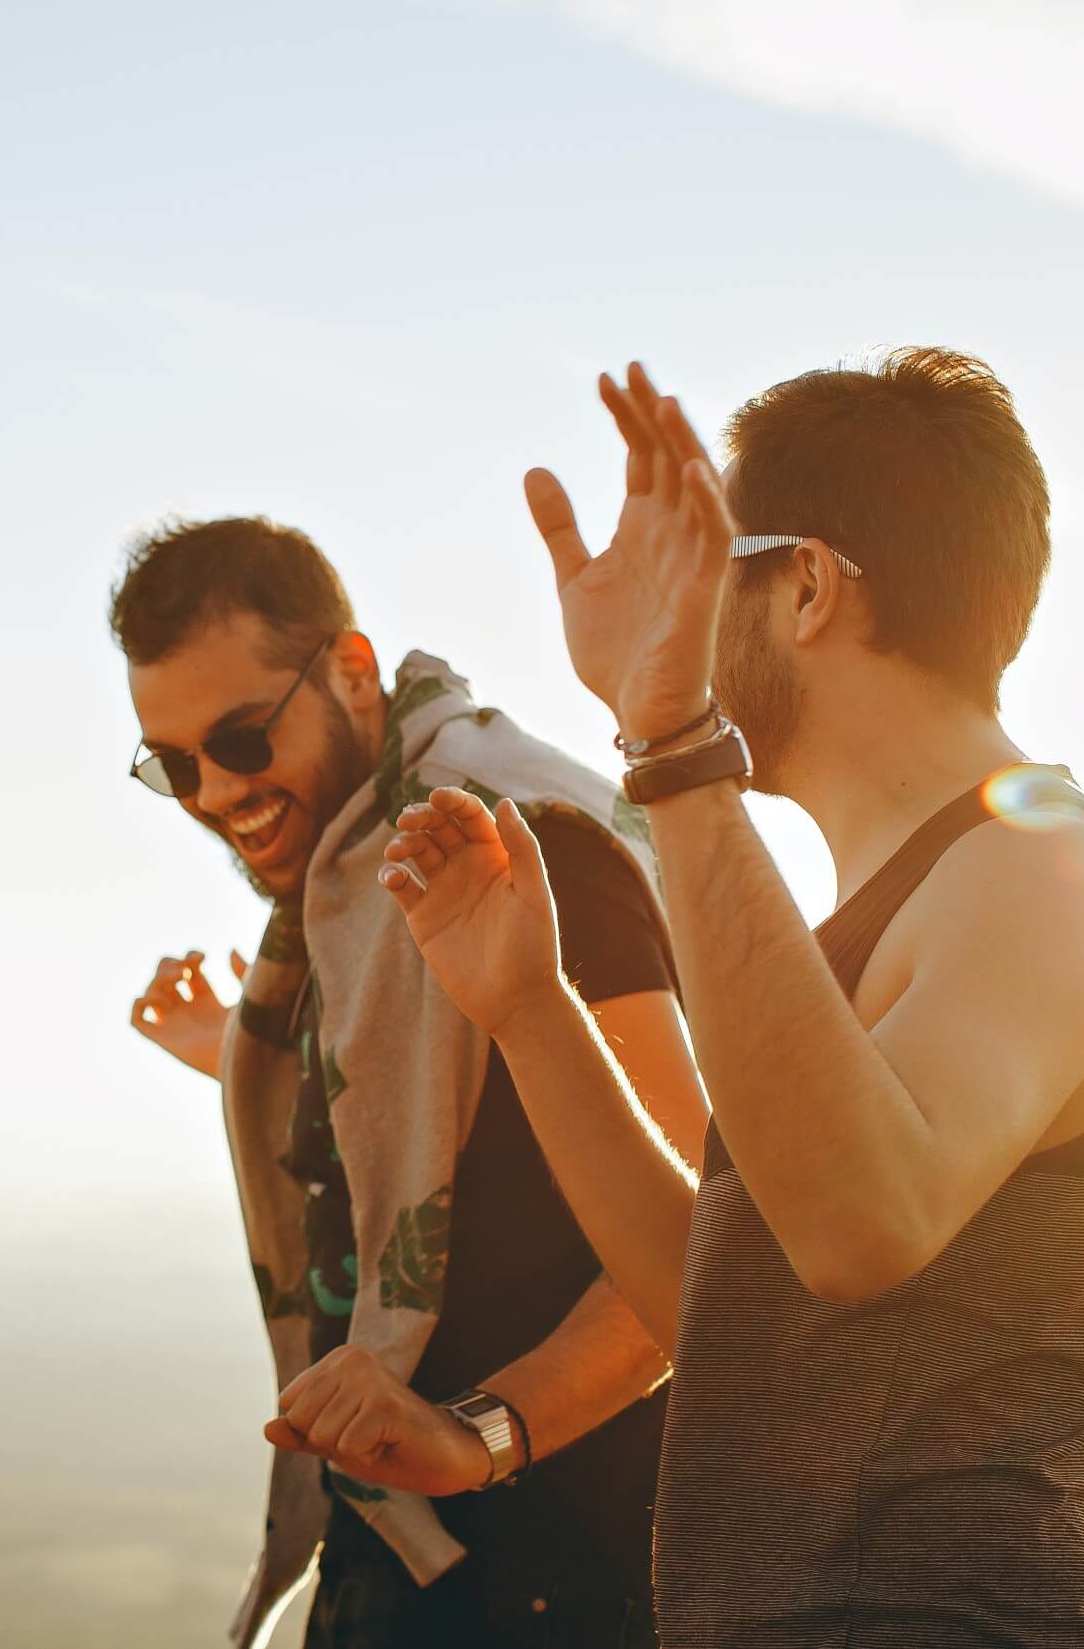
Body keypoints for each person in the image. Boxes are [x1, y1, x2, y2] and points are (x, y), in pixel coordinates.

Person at [296, 350, 1084, 1645]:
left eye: (705, 572)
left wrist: (667, 742)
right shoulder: (884, 907)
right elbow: (728, 1316)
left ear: (809, 585)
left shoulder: (1044, 865)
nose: (682, 616)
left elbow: (857, 1225)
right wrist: (530, 1011)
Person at [116, 518, 705, 1649]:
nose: (211, 792)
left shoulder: (520, 845)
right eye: (172, 763)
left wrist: (478, 1434)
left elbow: (692, 1244)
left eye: (239, 738)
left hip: (563, 1573)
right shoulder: (346, 892)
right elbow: (447, 1134)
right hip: (401, 1557)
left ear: (348, 669)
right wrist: (249, 1053)